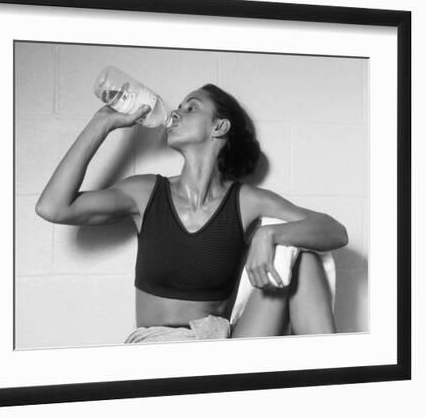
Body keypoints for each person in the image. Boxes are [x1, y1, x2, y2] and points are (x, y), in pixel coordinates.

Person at [35, 83, 348, 343]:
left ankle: (332, 388)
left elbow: (335, 231)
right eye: (179, 107)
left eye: (191, 107)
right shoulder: (146, 192)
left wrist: (270, 234)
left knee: (302, 256)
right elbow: (54, 206)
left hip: (220, 348)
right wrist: (103, 121)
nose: (175, 113)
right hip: (159, 350)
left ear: (219, 127)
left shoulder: (245, 200)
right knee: (298, 252)